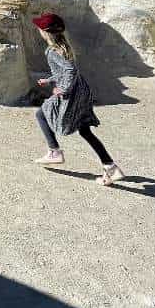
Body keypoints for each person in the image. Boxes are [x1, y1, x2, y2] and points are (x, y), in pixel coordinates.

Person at [30, 12, 125, 185]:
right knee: (85, 131)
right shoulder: (64, 45)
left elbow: (70, 71)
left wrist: (62, 89)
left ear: (45, 32)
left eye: (39, 28)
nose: (38, 31)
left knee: (41, 114)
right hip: (81, 90)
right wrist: (50, 80)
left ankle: (54, 152)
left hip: (71, 93)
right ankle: (110, 167)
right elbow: (64, 70)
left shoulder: (52, 51)